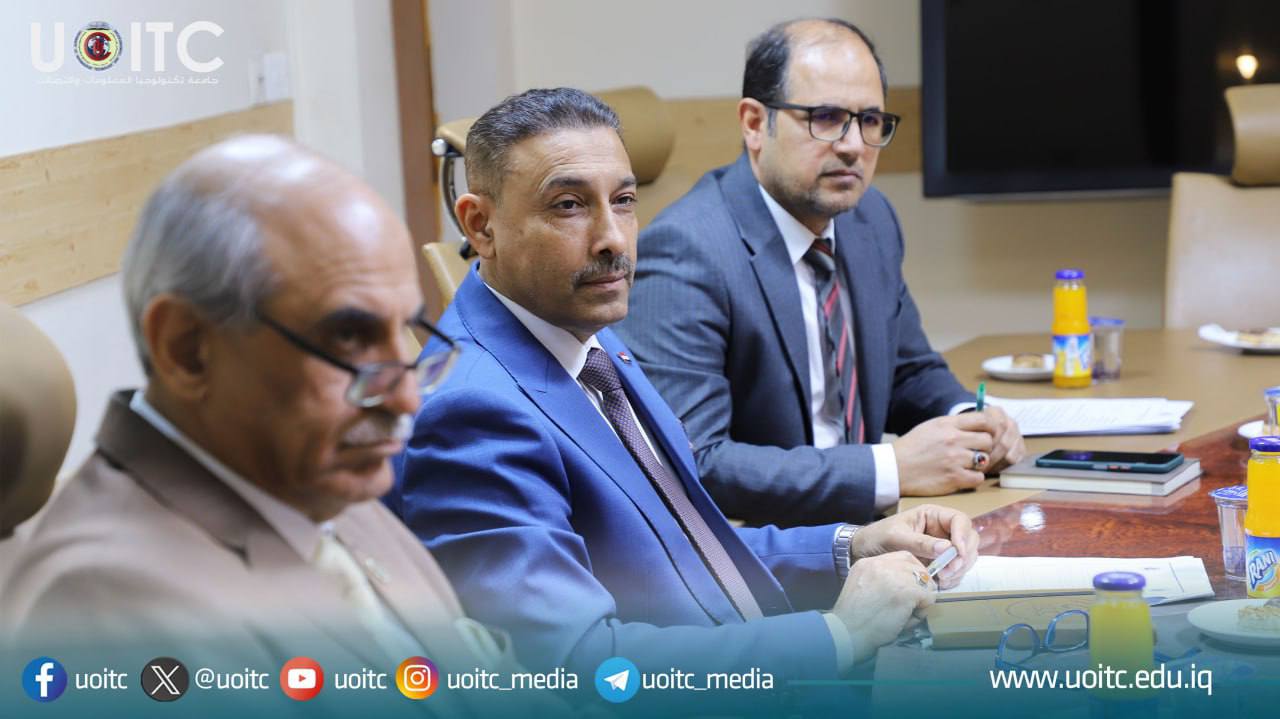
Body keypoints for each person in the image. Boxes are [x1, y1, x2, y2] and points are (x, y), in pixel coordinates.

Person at [389, 88, 979, 688]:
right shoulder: (471, 412)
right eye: (568, 206)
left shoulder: (583, 333)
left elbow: (689, 547)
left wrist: (851, 546)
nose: (614, 240)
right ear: (480, 226)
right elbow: (576, 667)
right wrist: (840, 635)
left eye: (623, 201)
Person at [1, 136, 520, 716]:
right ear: (187, 349)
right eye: (349, 338)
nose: (405, 398)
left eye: (405, 330)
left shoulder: (317, 485)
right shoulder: (109, 610)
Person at [614, 19, 1026, 527]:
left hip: (878, 532)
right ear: (754, 124)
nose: (853, 145)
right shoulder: (688, 251)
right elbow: (696, 463)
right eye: (826, 118)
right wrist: (890, 469)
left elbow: (907, 370)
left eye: (870, 120)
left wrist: (971, 425)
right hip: (771, 550)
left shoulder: (869, 217)